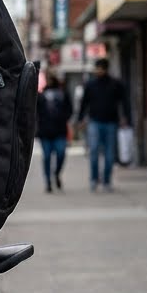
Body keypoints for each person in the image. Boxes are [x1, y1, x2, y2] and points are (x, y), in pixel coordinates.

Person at [76, 57, 131, 192]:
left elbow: (125, 102)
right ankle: (94, 179)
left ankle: (106, 181)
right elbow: (84, 103)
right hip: (94, 122)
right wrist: (80, 119)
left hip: (111, 122)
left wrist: (126, 118)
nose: (97, 71)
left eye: (99, 68)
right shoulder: (91, 85)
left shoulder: (116, 84)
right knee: (94, 151)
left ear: (105, 69)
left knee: (109, 155)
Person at [36, 70, 73, 192]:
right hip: (45, 132)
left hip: (60, 131)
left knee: (61, 154)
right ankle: (48, 182)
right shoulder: (40, 96)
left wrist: (63, 118)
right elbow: (35, 113)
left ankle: (56, 173)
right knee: (46, 157)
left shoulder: (63, 94)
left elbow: (69, 109)